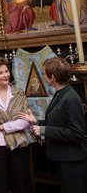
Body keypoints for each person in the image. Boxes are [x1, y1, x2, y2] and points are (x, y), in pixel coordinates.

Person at [18, 57, 87, 193]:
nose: (43, 76)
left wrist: (44, 130)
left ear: (53, 77)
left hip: (73, 162)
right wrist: (35, 122)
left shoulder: (71, 99)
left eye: (44, 74)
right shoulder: (61, 94)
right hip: (63, 158)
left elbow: (77, 133)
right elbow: (56, 122)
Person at [0, 57, 34, 193]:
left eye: (6, 71)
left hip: (19, 147)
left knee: (21, 186)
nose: (6, 75)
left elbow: (25, 121)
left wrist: (2, 127)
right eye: (1, 73)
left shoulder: (18, 93)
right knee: (0, 187)